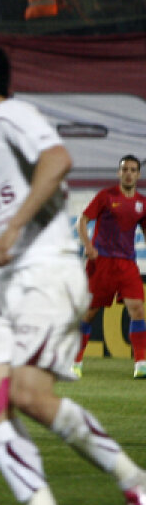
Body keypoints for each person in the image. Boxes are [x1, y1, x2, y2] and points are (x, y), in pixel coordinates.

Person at [0, 43, 146, 505]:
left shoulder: (12, 114)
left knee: (28, 396)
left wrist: (12, 226)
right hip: (12, 287)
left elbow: (59, 159)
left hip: (48, 278)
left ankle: (136, 482)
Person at [74, 154, 146, 379]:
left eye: (133, 170)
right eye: (125, 169)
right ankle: (74, 361)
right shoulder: (106, 196)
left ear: (138, 175)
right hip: (101, 262)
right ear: (119, 172)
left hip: (127, 263)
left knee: (138, 309)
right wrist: (87, 245)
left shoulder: (142, 203)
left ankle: (141, 363)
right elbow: (82, 221)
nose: (129, 173)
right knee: (89, 314)